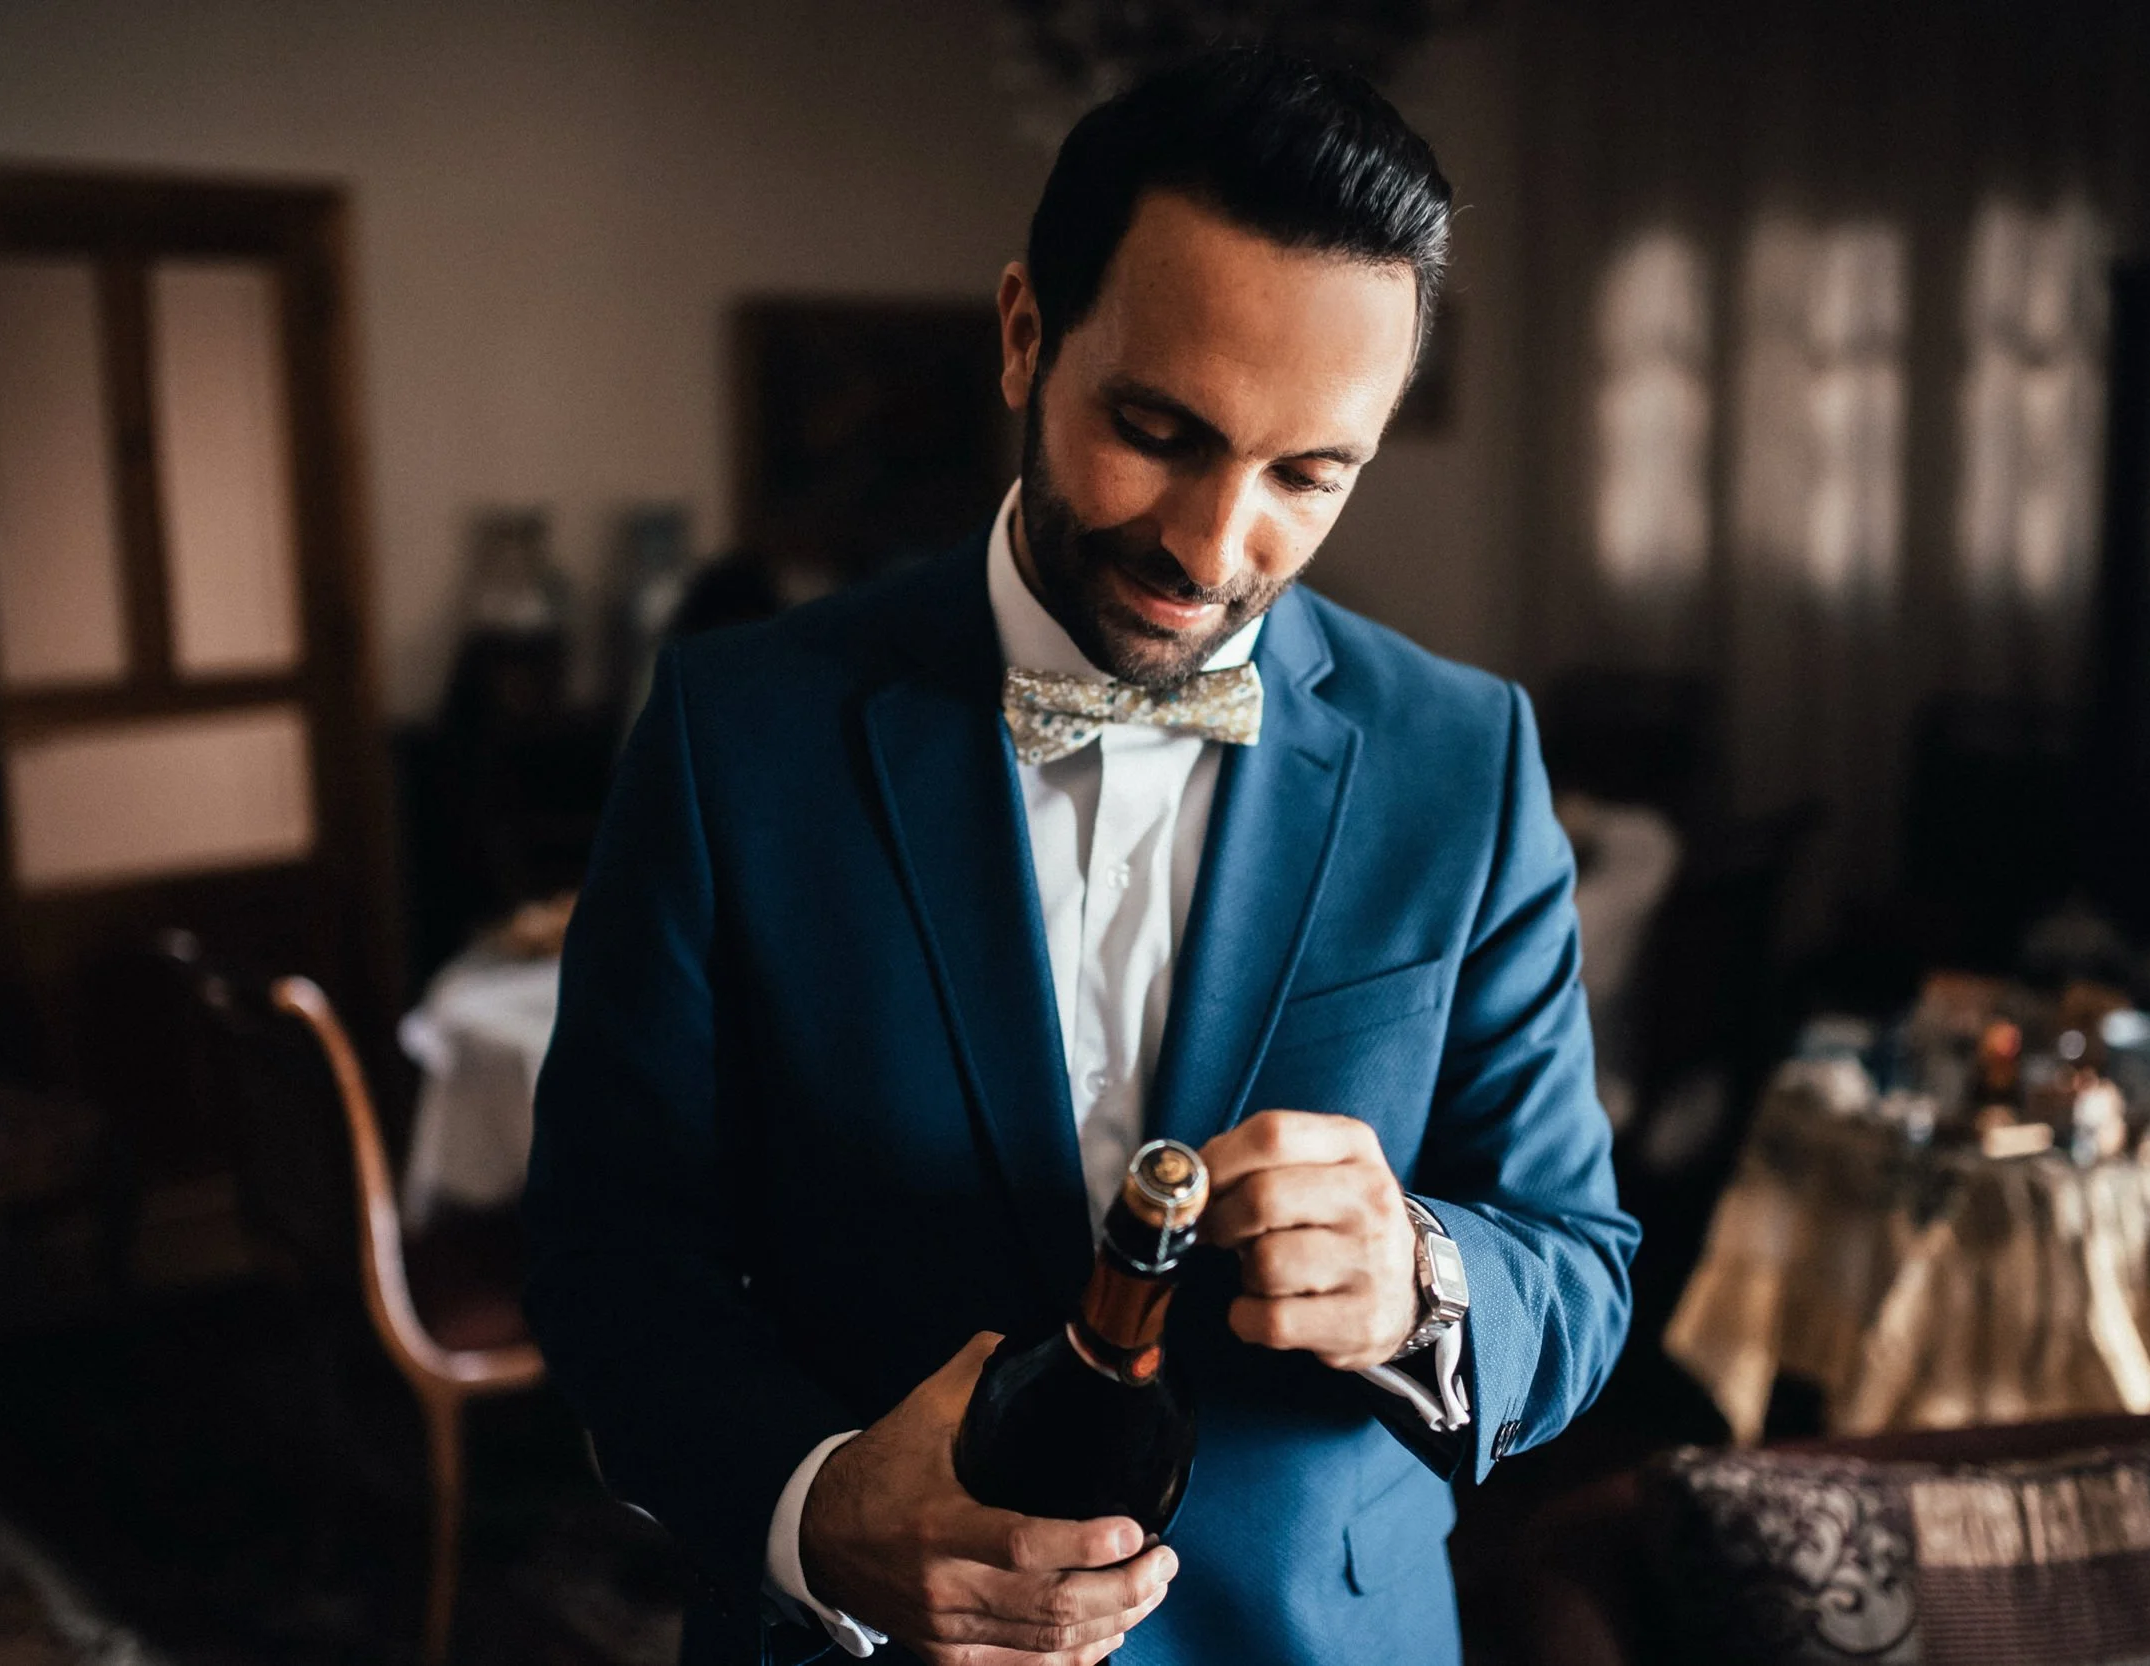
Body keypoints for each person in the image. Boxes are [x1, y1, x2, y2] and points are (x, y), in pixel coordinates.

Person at [525, 47, 1637, 1666]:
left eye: (1306, 475)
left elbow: (1579, 1263)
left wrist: (1422, 1279)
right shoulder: (732, 732)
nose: (1213, 544)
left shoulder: (1467, 758)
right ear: (1024, 334)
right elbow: (607, 1258)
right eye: (1159, 429)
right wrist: (814, 1509)